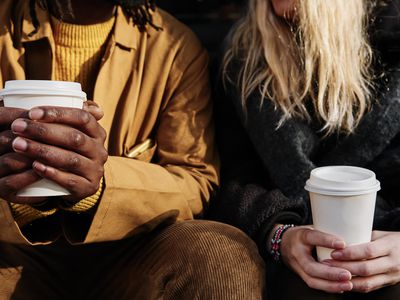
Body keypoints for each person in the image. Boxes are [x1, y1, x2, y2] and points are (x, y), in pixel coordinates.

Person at [0, 0, 266, 299]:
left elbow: (196, 180)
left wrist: (99, 185)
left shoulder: (173, 45)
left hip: (131, 255)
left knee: (220, 252)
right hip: (12, 254)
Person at [209, 0, 400, 298]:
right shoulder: (240, 61)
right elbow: (227, 180)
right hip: (292, 257)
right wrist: (278, 235)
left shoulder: (391, 40)